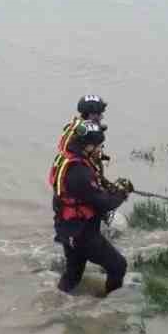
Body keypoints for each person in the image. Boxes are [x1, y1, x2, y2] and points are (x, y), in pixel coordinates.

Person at [50, 121, 133, 296]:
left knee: (73, 276)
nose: (100, 149)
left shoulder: (69, 158)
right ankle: (109, 306)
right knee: (118, 266)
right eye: (98, 145)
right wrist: (121, 194)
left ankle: (57, 305)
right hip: (82, 233)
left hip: (68, 228)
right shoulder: (79, 172)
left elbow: (88, 194)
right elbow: (104, 203)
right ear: (87, 146)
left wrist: (110, 189)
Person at [54, 95, 113, 187]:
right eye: (99, 114)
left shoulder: (77, 125)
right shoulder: (81, 133)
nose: (101, 117)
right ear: (91, 114)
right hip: (79, 173)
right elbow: (78, 152)